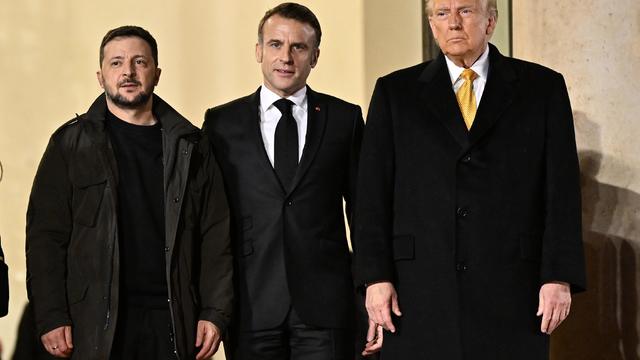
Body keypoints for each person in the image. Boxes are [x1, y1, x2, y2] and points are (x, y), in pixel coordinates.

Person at [354, 0, 586, 359]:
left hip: (514, 287)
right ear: (432, 25)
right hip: (418, 289)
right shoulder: (395, 92)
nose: (454, 23)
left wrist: (558, 276)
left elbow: (562, 190)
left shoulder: (541, 87)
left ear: (491, 20)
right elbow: (372, 195)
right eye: (442, 14)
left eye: (465, 11)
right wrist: (375, 277)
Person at [26, 25, 232, 359]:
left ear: (157, 73)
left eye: (140, 62)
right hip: (94, 323)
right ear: (100, 76)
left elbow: (216, 235)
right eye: (117, 63)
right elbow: (46, 237)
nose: (128, 72)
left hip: (173, 319)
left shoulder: (192, 147)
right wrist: (51, 315)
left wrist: (215, 311)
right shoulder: (70, 144)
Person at [202, 3, 364, 359]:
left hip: (326, 306)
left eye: (299, 47)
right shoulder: (221, 124)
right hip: (251, 301)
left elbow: (363, 213)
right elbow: (210, 220)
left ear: (315, 56)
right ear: (258, 51)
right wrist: (211, 306)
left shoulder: (344, 119)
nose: (286, 57)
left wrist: (369, 290)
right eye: (275, 45)